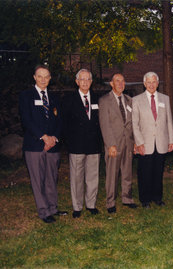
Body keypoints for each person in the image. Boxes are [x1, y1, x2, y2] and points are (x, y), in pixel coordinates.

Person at [19, 64, 67, 223]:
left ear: (50, 78)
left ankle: (53, 208)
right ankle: (44, 211)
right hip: (34, 145)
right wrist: (44, 137)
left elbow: (60, 122)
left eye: (46, 76)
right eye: (40, 76)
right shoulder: (26, 96)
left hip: (53, 146)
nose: (43, 79)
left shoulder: (54, 98)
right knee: (38, 180)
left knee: (51, 178)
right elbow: (26, 120)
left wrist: (54, 138)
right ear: (34, 77)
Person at [62, 69, 102, 218]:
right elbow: (64, 124)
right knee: (77, 178)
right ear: (77, 81)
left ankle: (91, 205)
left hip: (94, 145)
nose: (85, 82)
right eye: (82, 79)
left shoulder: (98, 98)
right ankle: (77, 207)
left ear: (91, 82)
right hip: (76, 145)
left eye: (88, 79)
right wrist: (69, 142)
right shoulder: (68, 99)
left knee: (92, 177)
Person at [132, 71, 173, 208]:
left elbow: (169, 120)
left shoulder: (165, 99)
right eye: (148, 82)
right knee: (144, 172)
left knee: (158, 171)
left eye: (154, 82)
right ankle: (145, 199)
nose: (151, 85)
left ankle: (157, 197)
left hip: (161, 142)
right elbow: (135, 123)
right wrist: (139, 142)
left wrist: (171, 140)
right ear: (144, 84)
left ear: (157, 83)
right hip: (145, 143)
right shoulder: (136, 100)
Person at [99, 73, 137, 214]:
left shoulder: (129, 100)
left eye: (122, 81)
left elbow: (132, 123)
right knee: (112, 174)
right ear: (111, 84)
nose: (120, 84)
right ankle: (110, 202)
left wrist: (135, 142)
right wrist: (110, 144)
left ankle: (127, 198)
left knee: (127, 172)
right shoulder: (104, 100)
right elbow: (105, 124)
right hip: (114, 143)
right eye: (117, 81)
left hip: (128, 141)